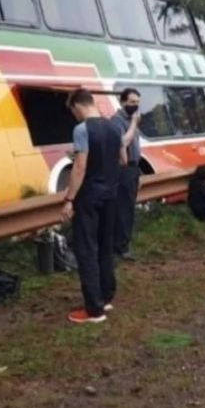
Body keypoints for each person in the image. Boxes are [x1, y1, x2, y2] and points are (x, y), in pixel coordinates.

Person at [61, 89, 125, 324]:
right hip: (111, 194)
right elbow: (123, 160)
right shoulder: (114, 127)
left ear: (77, 106)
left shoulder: (82, 129)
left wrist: (69, 199)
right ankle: (106, 297)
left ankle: (94, 310)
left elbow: (80, 167)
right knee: (105, 245)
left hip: (89, 196)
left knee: (86, 249)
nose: (74, 116)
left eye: (73, 111)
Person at [110, 88, 141, 261]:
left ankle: (122, 243)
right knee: (123, 208)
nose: (135, 106)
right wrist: (134, 124)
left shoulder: (131, 119)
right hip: (123, 169)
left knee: (128, 207)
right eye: (132, 102)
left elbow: (136, 146)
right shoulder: (117, 121)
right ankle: (121, 247)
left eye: (137, 102)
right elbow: (123, 142)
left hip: (133, 168)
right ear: (122, 102)